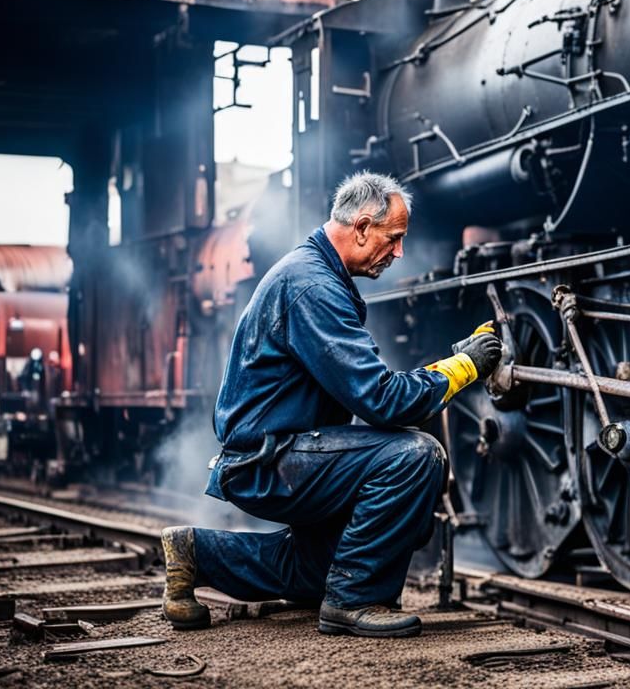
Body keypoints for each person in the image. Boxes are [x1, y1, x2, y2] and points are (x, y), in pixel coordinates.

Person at [161, 172, 502, 638]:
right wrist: (462, 368)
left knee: (316, 571)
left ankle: (195, 552)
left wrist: (448, 367)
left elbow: (371, 391)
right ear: (361, 227)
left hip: (284, 451)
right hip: (271, 459)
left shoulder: (316, 276)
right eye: (394, 238)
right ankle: (353, 601)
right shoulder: (313, 287)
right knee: (416, 456)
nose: (398, 252)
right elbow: (381, 400)